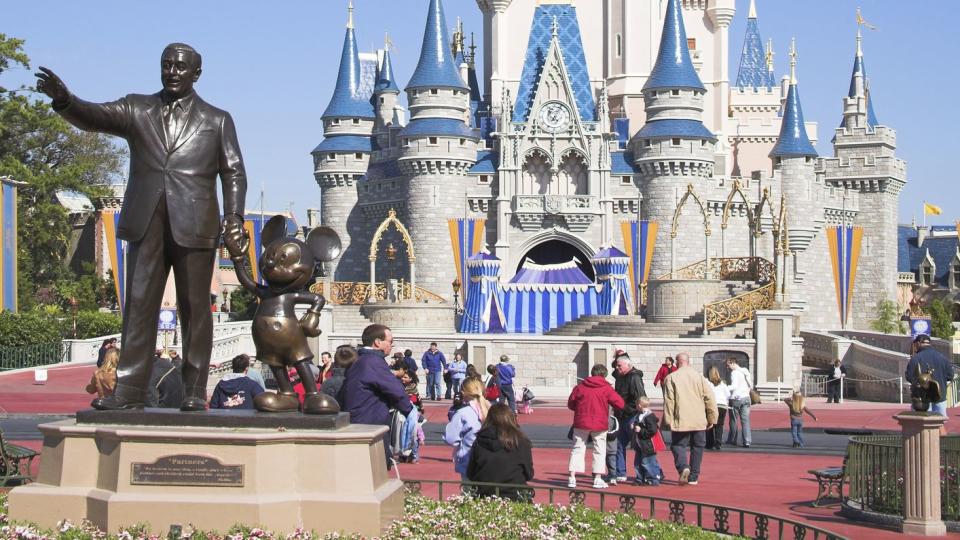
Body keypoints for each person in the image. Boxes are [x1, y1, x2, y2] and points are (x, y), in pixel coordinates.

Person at [36, 44, 248, 411]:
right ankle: (130, 390)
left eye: (181, 67)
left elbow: (233, 172)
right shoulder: (138, 108)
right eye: (167, 65)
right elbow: (96, 117)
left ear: (197, 73)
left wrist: (233, 217)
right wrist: (66, 100)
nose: (173, 72)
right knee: (138, 304)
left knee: (196, 309)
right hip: (145, 220)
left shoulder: (217, 119)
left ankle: (195, 390)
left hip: (196, 223)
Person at [339, 324, 412, 427]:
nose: (391, 345)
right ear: (377, 342)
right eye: (390, 341)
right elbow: (396, 391)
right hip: (370, 424)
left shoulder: (360, 359)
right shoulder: (373, 362)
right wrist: (411, 413)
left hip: (357, 419)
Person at [662, 352, 718, 486]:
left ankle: (683, 467)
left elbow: (669, 401)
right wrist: (712, 418)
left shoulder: (671, 378)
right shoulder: (699, 377)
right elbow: (710, 398)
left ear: (677, 362)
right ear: (689, 361)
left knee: (678, 445)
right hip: (698, 419)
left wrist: (667, 421)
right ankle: (694, 476)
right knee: (698, 446)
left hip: (681, 418)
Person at [566, 364, 625, 489]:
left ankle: (572, 477)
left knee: (577, 449)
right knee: (599, 450)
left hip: (581, 421)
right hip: (599, 423)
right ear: (604, 375)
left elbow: (571, 404)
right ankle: (597, 478)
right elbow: (620, 403)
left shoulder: (580, 386)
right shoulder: (606, 388)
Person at [466, 403, 535, 500]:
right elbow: (529, 474)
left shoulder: (479, 440)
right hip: (515, 495)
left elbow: (470, 473)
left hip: (484, 496)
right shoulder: (520, 441)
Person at [905, 333, 955, 433]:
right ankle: (942, 446)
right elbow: (950, 375)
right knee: (940, 424)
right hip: (939, 396)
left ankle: (922, 446)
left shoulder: (916, 358)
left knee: (921, 425)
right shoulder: (942, 357)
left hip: (922, 399)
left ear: (918, 343)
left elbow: (909, 377)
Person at [443, 378, 489, 480]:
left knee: (469, 493)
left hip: (469, 461)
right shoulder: (491, 409)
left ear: (464, 393)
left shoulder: (462, 413)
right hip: (490, 462)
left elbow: (451, 438)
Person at [612, 352, 646, 483]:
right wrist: (618, 357)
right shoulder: (620, 375)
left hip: (631, 415)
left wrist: (630, 409)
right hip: (621, 416)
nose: (617, 368)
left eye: (619, 366)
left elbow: (640, 397)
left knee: (639, 446)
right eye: (617, 365)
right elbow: (614, 369)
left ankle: (649, 473)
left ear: (628, 365)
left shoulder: (634, 377)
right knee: (619, 445)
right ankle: (621, 472)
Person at [630, 396, 664, 486]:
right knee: (637, 462)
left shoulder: (649, 416)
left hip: (648, 444)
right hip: (640, 444)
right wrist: (633, 425)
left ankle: (654, 477)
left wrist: (641, 430)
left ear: (640, 405)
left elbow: (652, 430)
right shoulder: (639, 415)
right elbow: (639, 424)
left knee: (648, 462)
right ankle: (640, 478)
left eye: (636, 405)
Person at [726, 357, 754, 448]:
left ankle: (732, 439)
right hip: (746, 398)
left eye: (728, 365)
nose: (728, 367)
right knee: (745, 421)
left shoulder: (734, 373)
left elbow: (734, 386)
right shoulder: (745, 371)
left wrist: (725, 387)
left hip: (736, 399)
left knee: (733, 420)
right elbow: (750, 384)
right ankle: (747, 441)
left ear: (733, 363)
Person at [397, 369, 423, 463]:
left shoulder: (413, 388)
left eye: (405, 377)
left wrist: (420, 411)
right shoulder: (399, 386)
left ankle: (414, 454)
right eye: (402, 377)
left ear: (411, 378)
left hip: (412, 414)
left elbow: (418, 402)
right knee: (401, 434)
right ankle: (402, 454)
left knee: (413, 434)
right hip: (403, 413)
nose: (403, 379)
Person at [705, 366, 730, 450]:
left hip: (713, 405)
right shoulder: (722, 383)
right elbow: (728, 394)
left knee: (710, 424)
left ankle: (710, 443)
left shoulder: (707, 382)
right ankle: (718, 443)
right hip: (722, 405)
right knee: (719, 425)